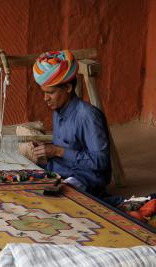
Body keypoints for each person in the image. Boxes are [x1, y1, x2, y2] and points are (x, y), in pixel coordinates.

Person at [32, 50, 111, 196]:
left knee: (55, 198)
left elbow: (101, 162)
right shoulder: (58, 110)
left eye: (50, 92)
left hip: (86, 178)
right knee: (22, 181)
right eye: (44, 92)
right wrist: (46, 152)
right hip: (60, 171)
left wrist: (58, 151)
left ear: (68, 88)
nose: (45, 98)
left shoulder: (88, 116)